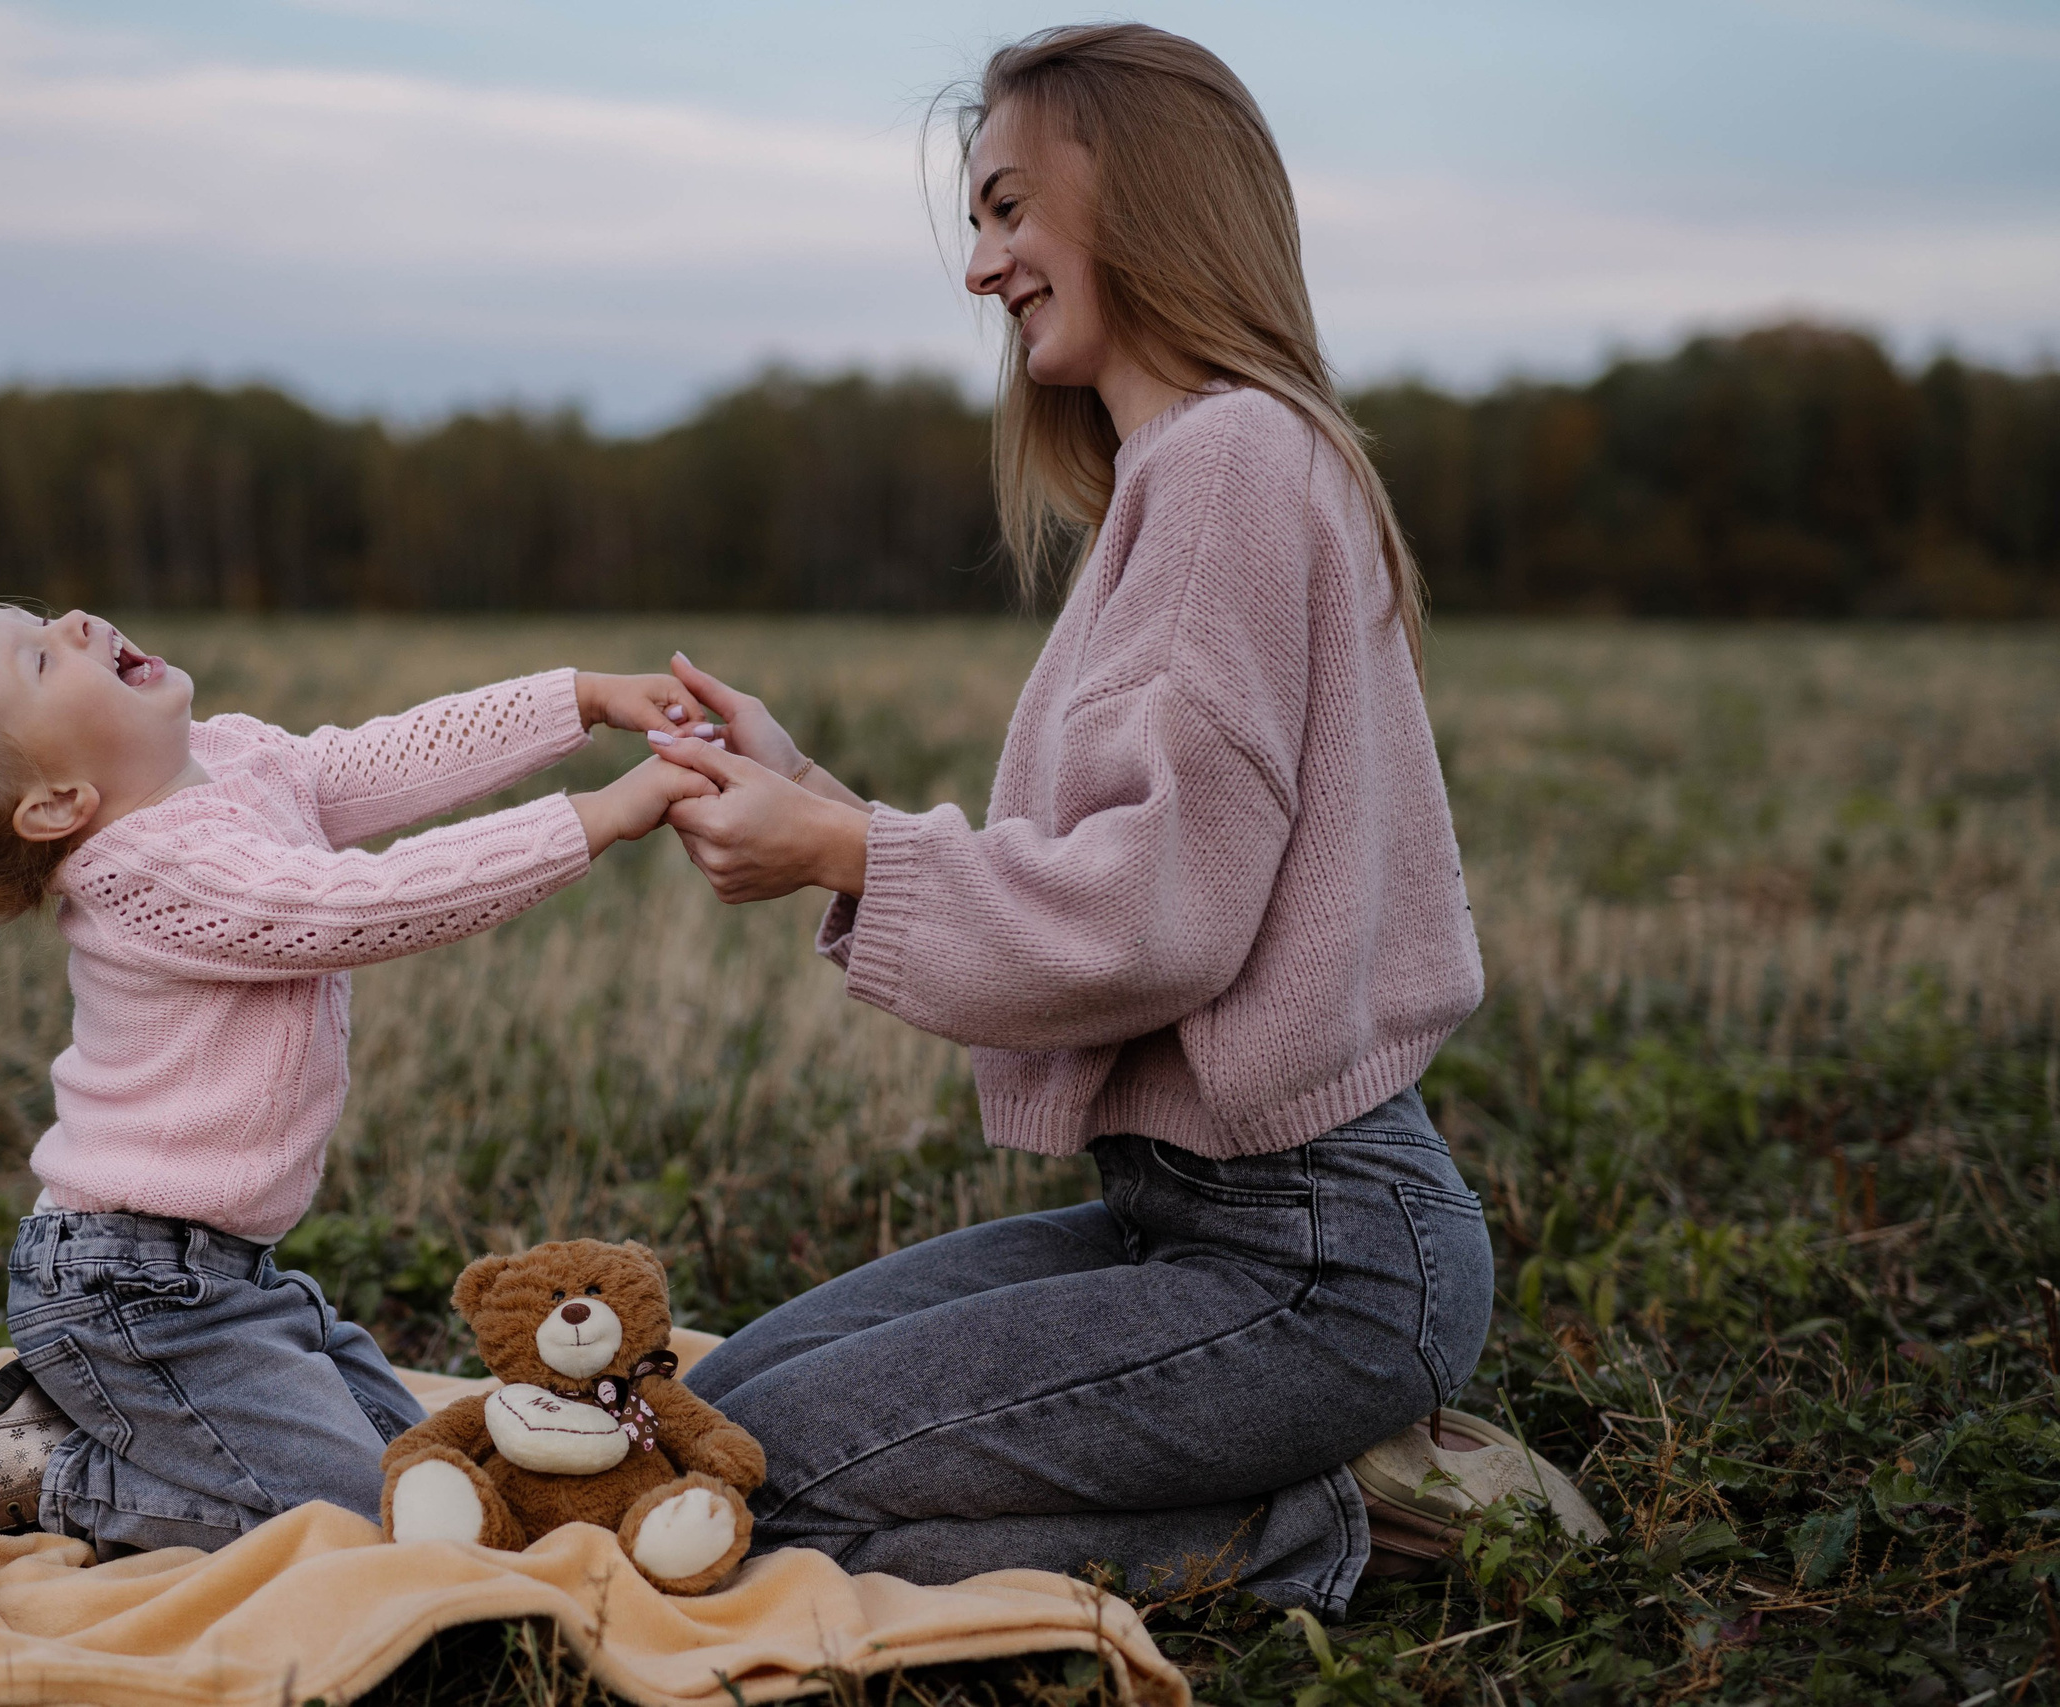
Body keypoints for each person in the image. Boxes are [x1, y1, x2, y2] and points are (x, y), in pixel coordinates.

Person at [645, 23, 1591, 1615]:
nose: (979, 266)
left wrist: (841, 851)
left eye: (1008, 209)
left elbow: (1158, 915)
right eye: (975, 221)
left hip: (1320, 1258)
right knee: (717, 1414)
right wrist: (819, 801)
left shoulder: (1231, 463)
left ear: (1141, 192)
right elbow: (1139, 863)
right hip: (1190, 1219)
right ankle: (1273, 1463)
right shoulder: (1192, 472)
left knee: (743, 1498)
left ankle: (1332, 1525)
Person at [0, 599, 716, 1555]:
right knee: (377, 1518)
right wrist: (597, 817)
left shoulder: (233, 758)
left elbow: (392, 755)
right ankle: (61, 1475)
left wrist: (580, 700)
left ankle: (117, 1423)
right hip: (129, 1291)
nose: (77, 622)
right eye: (40, 659)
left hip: (228, 1281)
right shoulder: (152, 872)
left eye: (43, 618)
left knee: (426, 1468)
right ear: (56, 805)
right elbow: (361, 903)